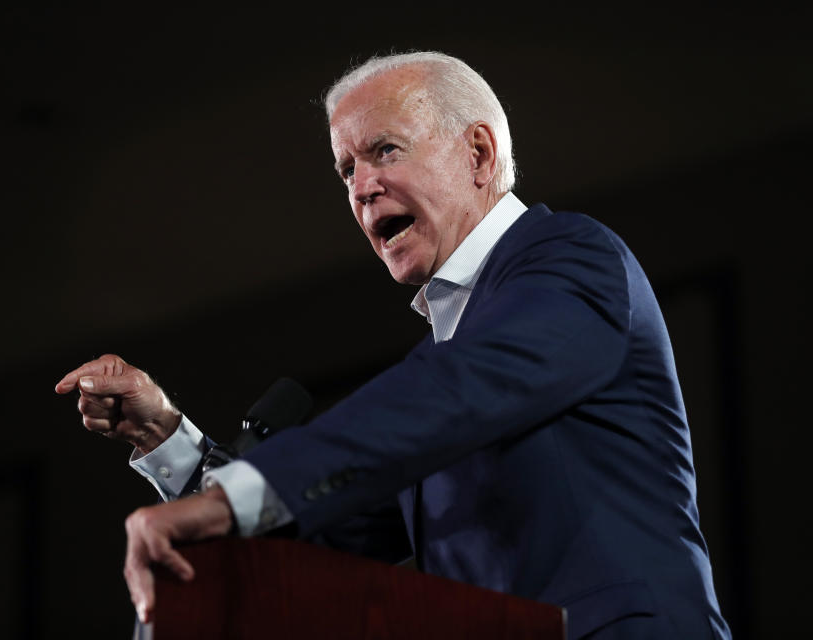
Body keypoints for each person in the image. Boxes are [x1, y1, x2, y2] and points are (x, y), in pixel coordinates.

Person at [55, 52, 730, 639]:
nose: (361, 186)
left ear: (479, 154)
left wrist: (230, 497)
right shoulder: (432, 379)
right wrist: (168, 438)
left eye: (384, 150)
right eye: (345, 169)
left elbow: (457, 393)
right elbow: (309, 531)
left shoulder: (573, 259)